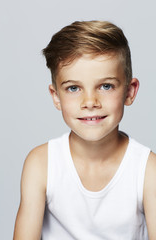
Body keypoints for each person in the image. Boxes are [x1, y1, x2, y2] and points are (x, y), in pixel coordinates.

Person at [13, 21, 156, 240]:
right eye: (73, 88)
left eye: (106, 86)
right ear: (56, 97)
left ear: (129, 91)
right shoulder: (41, 164)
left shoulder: (147, 170)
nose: (90, 102)